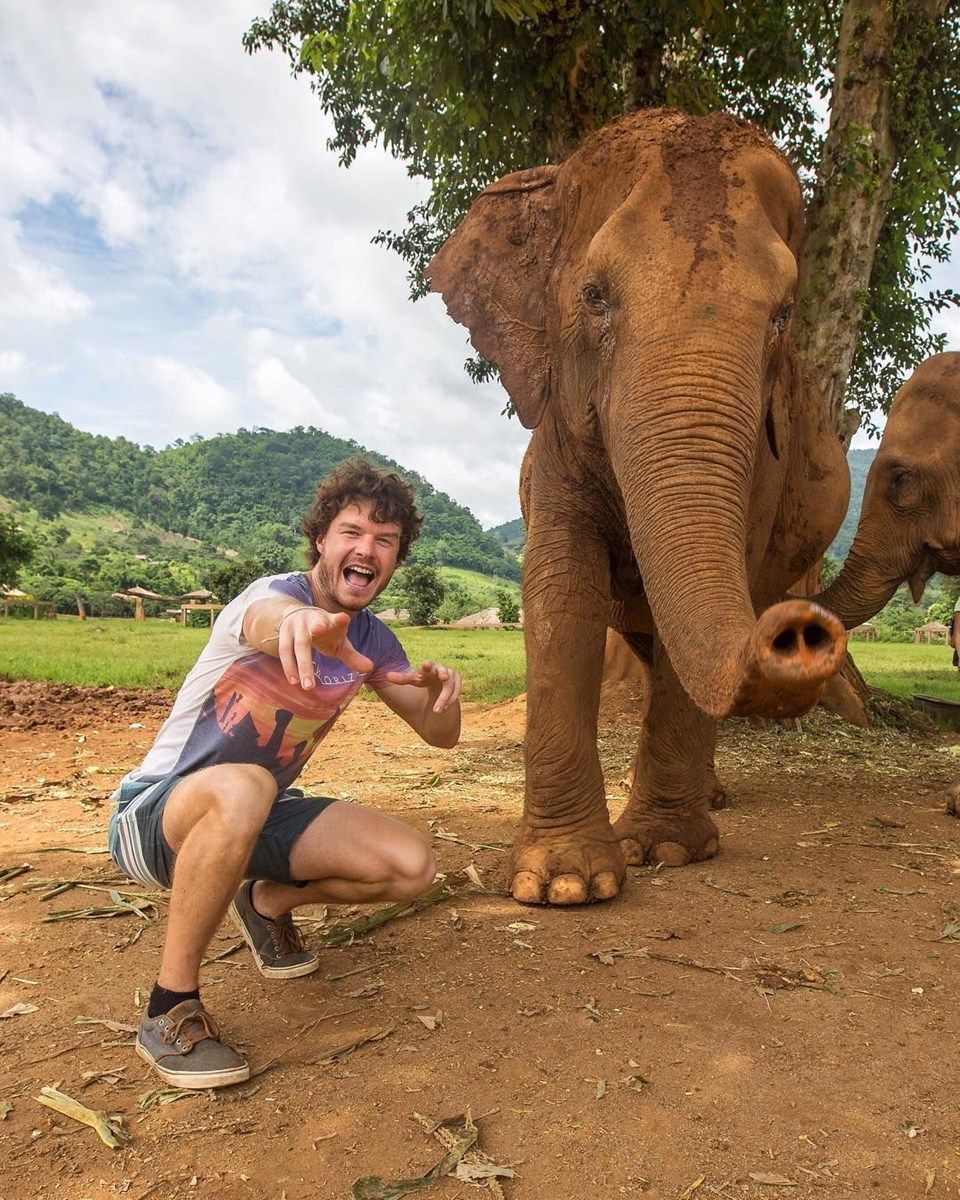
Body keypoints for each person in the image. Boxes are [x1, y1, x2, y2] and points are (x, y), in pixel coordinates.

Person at [107, 459, 461, 1089]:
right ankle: (170, 1008)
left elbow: (440, 736)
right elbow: (264, 619)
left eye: (386, 541)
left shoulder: (374, 642)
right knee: (246, 784)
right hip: (158, 814)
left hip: (259, 813)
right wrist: (293, 624)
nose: (367, 549)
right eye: (352, 531)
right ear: (322, 539)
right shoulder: (270, 597)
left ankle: (266, 901)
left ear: (396, 560)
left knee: (413, 866)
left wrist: (442, 695)